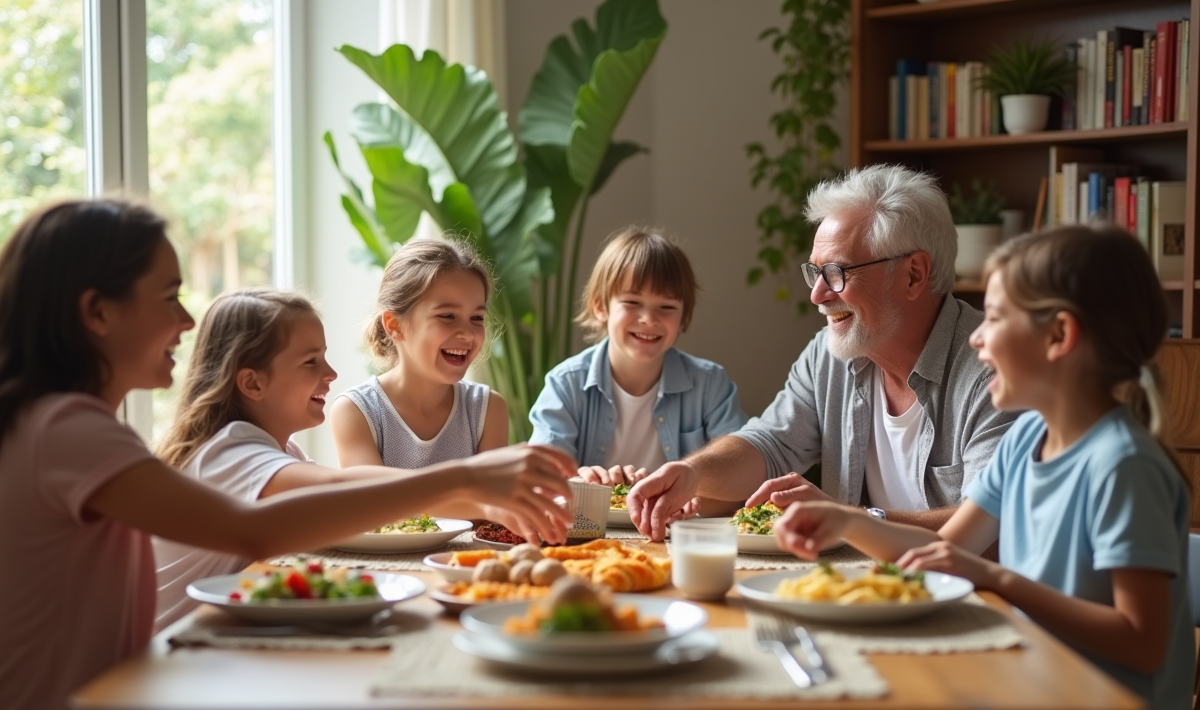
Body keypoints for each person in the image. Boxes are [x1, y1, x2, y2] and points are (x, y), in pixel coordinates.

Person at [0, 199, 575, 710]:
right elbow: (255, 529)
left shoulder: (72, 427)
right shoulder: (66, 430)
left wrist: (463, 482)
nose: (186, 320)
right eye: (169, 297)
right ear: (97, 312)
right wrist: (463, 480)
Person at [773, 226, 1192, 710]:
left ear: (1059, 336)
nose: (976, 338)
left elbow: (1140, 641)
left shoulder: (1123, 466)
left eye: (993, 319)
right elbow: (949, 551)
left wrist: (997, 579)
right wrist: (846, 521)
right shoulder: (1026, 441)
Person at [153, 287, 509, 710]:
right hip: (171, 693)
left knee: (445, 708)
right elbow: (343, 486)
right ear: (252, 382)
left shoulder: (276, 450)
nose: (331, 373)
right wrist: (471, 479)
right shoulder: (229, 451)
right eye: (311, 362)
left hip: (220, 665)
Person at [628, 164, 1016, 540]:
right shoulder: (829, 354)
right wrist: (693, 472)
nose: (817, 295)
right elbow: (770, 445)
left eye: (837, 272)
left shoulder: (998, 372)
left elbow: (992, 532)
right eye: (816, 272)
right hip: (855, 580)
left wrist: (851, 521)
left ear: (913, 274)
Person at [529, 226, 747, 487]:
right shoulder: (565, 384)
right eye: (632, 302)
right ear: (600, 306)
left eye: (667, 307)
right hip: (590, 515)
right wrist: (580, 482)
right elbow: (542, 479)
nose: (649, 319)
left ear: (683, 316)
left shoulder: (709, 384)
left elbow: (739, 470)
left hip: (677, 515)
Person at [331, 240, 506, 470]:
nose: (467, 334)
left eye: (476, 318)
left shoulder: (487, 409)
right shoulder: (356, 411)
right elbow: (372, 494)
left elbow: (492, 495)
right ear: (394, 325)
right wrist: (466, 480)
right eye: (447, 316)